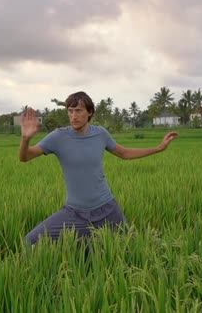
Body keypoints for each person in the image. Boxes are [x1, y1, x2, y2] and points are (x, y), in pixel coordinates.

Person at [20, 91, 178, 245]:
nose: (73, 116)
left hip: (108, 210)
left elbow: (124, 153)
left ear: (89, 112)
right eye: (70, 111)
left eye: (79, 111)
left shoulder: (100, 134)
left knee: (130, 247)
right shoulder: (58, 137)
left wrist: (158, 148)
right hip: (75, 213)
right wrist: (25, 139)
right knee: (30, 241)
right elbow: (25, 157)